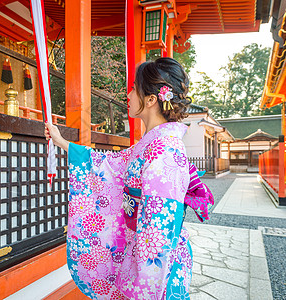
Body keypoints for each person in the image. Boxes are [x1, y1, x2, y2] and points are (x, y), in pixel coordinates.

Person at [45, 57, 214, 300]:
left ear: (151, 100)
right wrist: (61, 142)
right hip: (141, 251)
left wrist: (145, 280)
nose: (129, 94)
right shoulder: (150, 145)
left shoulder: (164, 150)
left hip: (156, 267)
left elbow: (159, 226)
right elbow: (108, 165)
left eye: (134, 88)